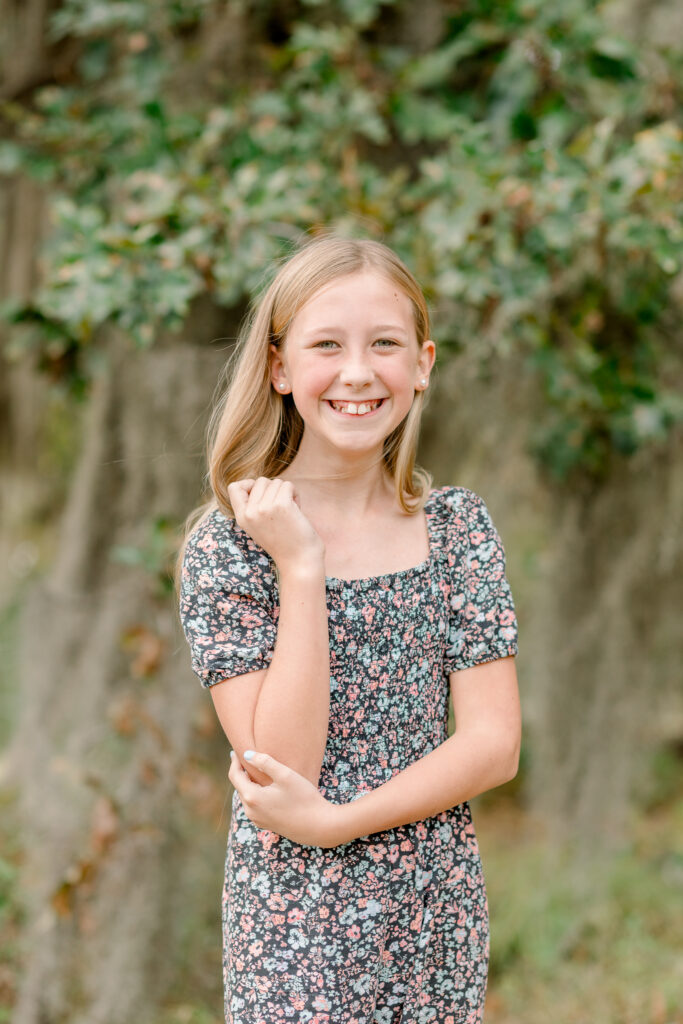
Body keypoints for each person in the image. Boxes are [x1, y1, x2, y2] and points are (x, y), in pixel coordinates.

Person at [176, 233, 521, 1024]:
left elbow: (493, 745)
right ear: (280, 367)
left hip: (435, 916)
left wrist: (339, 822)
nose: (359, 372)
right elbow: (280, 764)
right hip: (296, 929)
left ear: (423, 364)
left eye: (385, 345)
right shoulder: (229, 547)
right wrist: (301, 569)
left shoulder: (457, 529)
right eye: (326, 344)